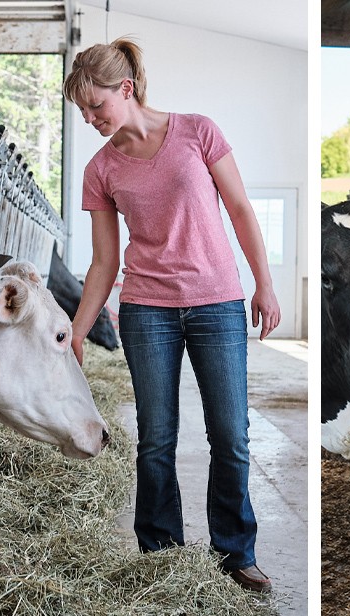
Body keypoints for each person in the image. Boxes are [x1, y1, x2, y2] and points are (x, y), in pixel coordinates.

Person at [63, 38, 281, 594]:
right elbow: (105, 262)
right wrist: (80, 331)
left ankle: (235, 553)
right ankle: (161, 554)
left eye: (96, 107)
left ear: (126, 89)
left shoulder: (197, 131)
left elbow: (239, 209)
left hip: (217, 303)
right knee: (156, 439)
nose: (90, 119)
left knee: (230, 436)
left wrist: (265, 285)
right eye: (83, 112)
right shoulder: (100, 169)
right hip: (146, 312)